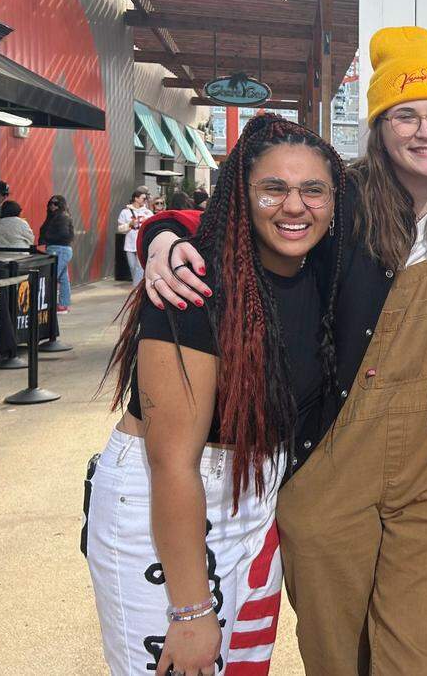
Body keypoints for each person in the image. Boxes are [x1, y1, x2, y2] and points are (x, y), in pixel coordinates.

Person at [139, 26, 427, 676]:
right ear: (379, 126)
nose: (424, 131)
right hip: (331, 465)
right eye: (405, 115)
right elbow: (255, 221)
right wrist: (164, 234)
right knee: (337, 658)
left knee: (418, 660)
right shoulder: (341, 195)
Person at [86, 114, 348, 676]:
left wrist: (162, 228)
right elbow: (172, 462)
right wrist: (188, 609)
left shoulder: (320, 271)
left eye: (313, 190)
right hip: (165, 503)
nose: (294, 206)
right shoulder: (196, 283)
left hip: (254, 504)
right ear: (241, 196)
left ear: (334, 199)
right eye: (273, 188)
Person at [39, 194, 75, 313]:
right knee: (63, 278)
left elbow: (64, 235)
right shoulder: (57, 216)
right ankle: (63, 305)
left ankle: (50, 304)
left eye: (55, 203)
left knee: (51, 276)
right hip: (60, 249)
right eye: (50, 203)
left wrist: (47, 238)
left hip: (58, 249)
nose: (52, 206)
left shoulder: (61, 216)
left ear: (61, 205)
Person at [117, 188, 152, 285]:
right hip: (130, 243)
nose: (145, 201)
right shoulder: (125, 212)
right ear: (136, 198)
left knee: (139, 267)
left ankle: (136, 287)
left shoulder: (148, 212)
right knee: (132, 266)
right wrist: (130, 224)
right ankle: (139, 285)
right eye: (143, 198)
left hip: (142, 242)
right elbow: (120, 229)